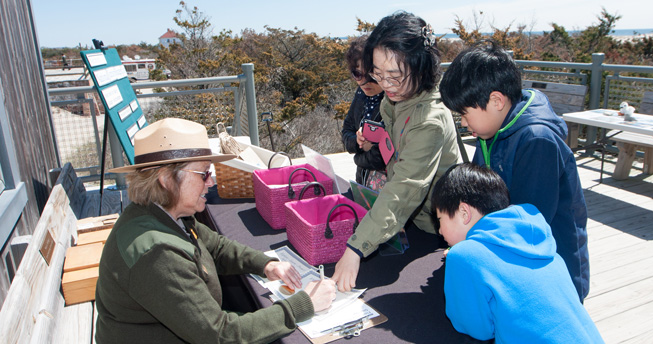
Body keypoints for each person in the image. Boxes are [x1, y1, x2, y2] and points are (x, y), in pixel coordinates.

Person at [96, 118, 336, 344]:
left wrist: (265, 264)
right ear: (166, 180)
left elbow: (216, 247)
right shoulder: (158, 254)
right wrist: (304, 304)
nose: (211, 183)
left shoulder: (163, 213)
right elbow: (220, 335)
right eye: (204, 174)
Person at [439, 40, 590, 302]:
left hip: (549, 274)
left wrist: (474, 247)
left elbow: (528, 224)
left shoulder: (536, 140)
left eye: (464, 113)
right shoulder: (492, 129)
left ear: (496, 100)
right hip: (515, 264)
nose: (463, 123)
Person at [332, 11, 461, 292]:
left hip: (437, 226)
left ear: (421, 69)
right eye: (378, 74)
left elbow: (404, 188)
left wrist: (356, 248)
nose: (385, 85)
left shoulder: (429, 120)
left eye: (394, 76)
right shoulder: (398, 97)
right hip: (413, 220)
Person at [431, 163, 604, 343]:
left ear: (464, 212)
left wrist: (457, 257)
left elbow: (476, 329)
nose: (440, 231)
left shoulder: (463, 255)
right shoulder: (541, 241)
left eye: (440, 220)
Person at [341, 35, 387, 190]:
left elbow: (381, 157)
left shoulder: (393, 102)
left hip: (388, 190)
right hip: (363, 182)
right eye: (357, 74)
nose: (363, 82)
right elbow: (346, 132)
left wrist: (357, 155)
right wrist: (359, 142)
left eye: (370, 76)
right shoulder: (361, 94)